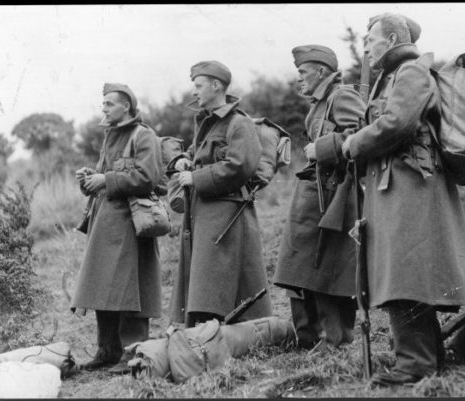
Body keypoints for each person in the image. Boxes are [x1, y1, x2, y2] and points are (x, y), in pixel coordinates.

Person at [341, 13, 465, 385]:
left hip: (410, 186)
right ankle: (426, 356)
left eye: (370, 39)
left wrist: (353, 144)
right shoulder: (392, 77)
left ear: (391, 39)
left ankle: (415, 364)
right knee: (402, 271)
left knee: (405, 274)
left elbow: (398, 124)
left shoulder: (410, 72)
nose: (366, 46)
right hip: (398, 186)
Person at [273, 45, 366, 349]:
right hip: (316, 193)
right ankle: (309, 336)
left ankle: (335, 338)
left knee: (328, 267)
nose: (297, 78)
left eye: (302, 72)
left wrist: (322, 149)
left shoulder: (341, 97)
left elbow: (363, 136)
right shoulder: (319, 103)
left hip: (337, 195)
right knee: (303, 266)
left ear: (322, 72)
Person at [169, 60, 273, 327]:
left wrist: (195, 177)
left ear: (216, 86)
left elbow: (240, 166)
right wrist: (184, 159)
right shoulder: (207, 122)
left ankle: (224, 332)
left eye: (198, 86)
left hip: (226, 213)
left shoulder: (239, 123)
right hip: (204, 211)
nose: (194, 92)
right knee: (205, 277)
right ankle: (205, 331)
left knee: (218, 276)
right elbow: (199, 153)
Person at [71, 83, 163, 374]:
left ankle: (133, 353)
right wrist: (90, 178)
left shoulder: (143, 135)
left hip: (131, 225)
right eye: (103, 104)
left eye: (109, 104)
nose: (104, 108)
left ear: (127, 106)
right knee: (103, 287)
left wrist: (106, 180)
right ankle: (107, 350)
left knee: (128, 288)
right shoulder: (110, 135)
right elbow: (106, 176)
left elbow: (149, 178)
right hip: (104, 224)